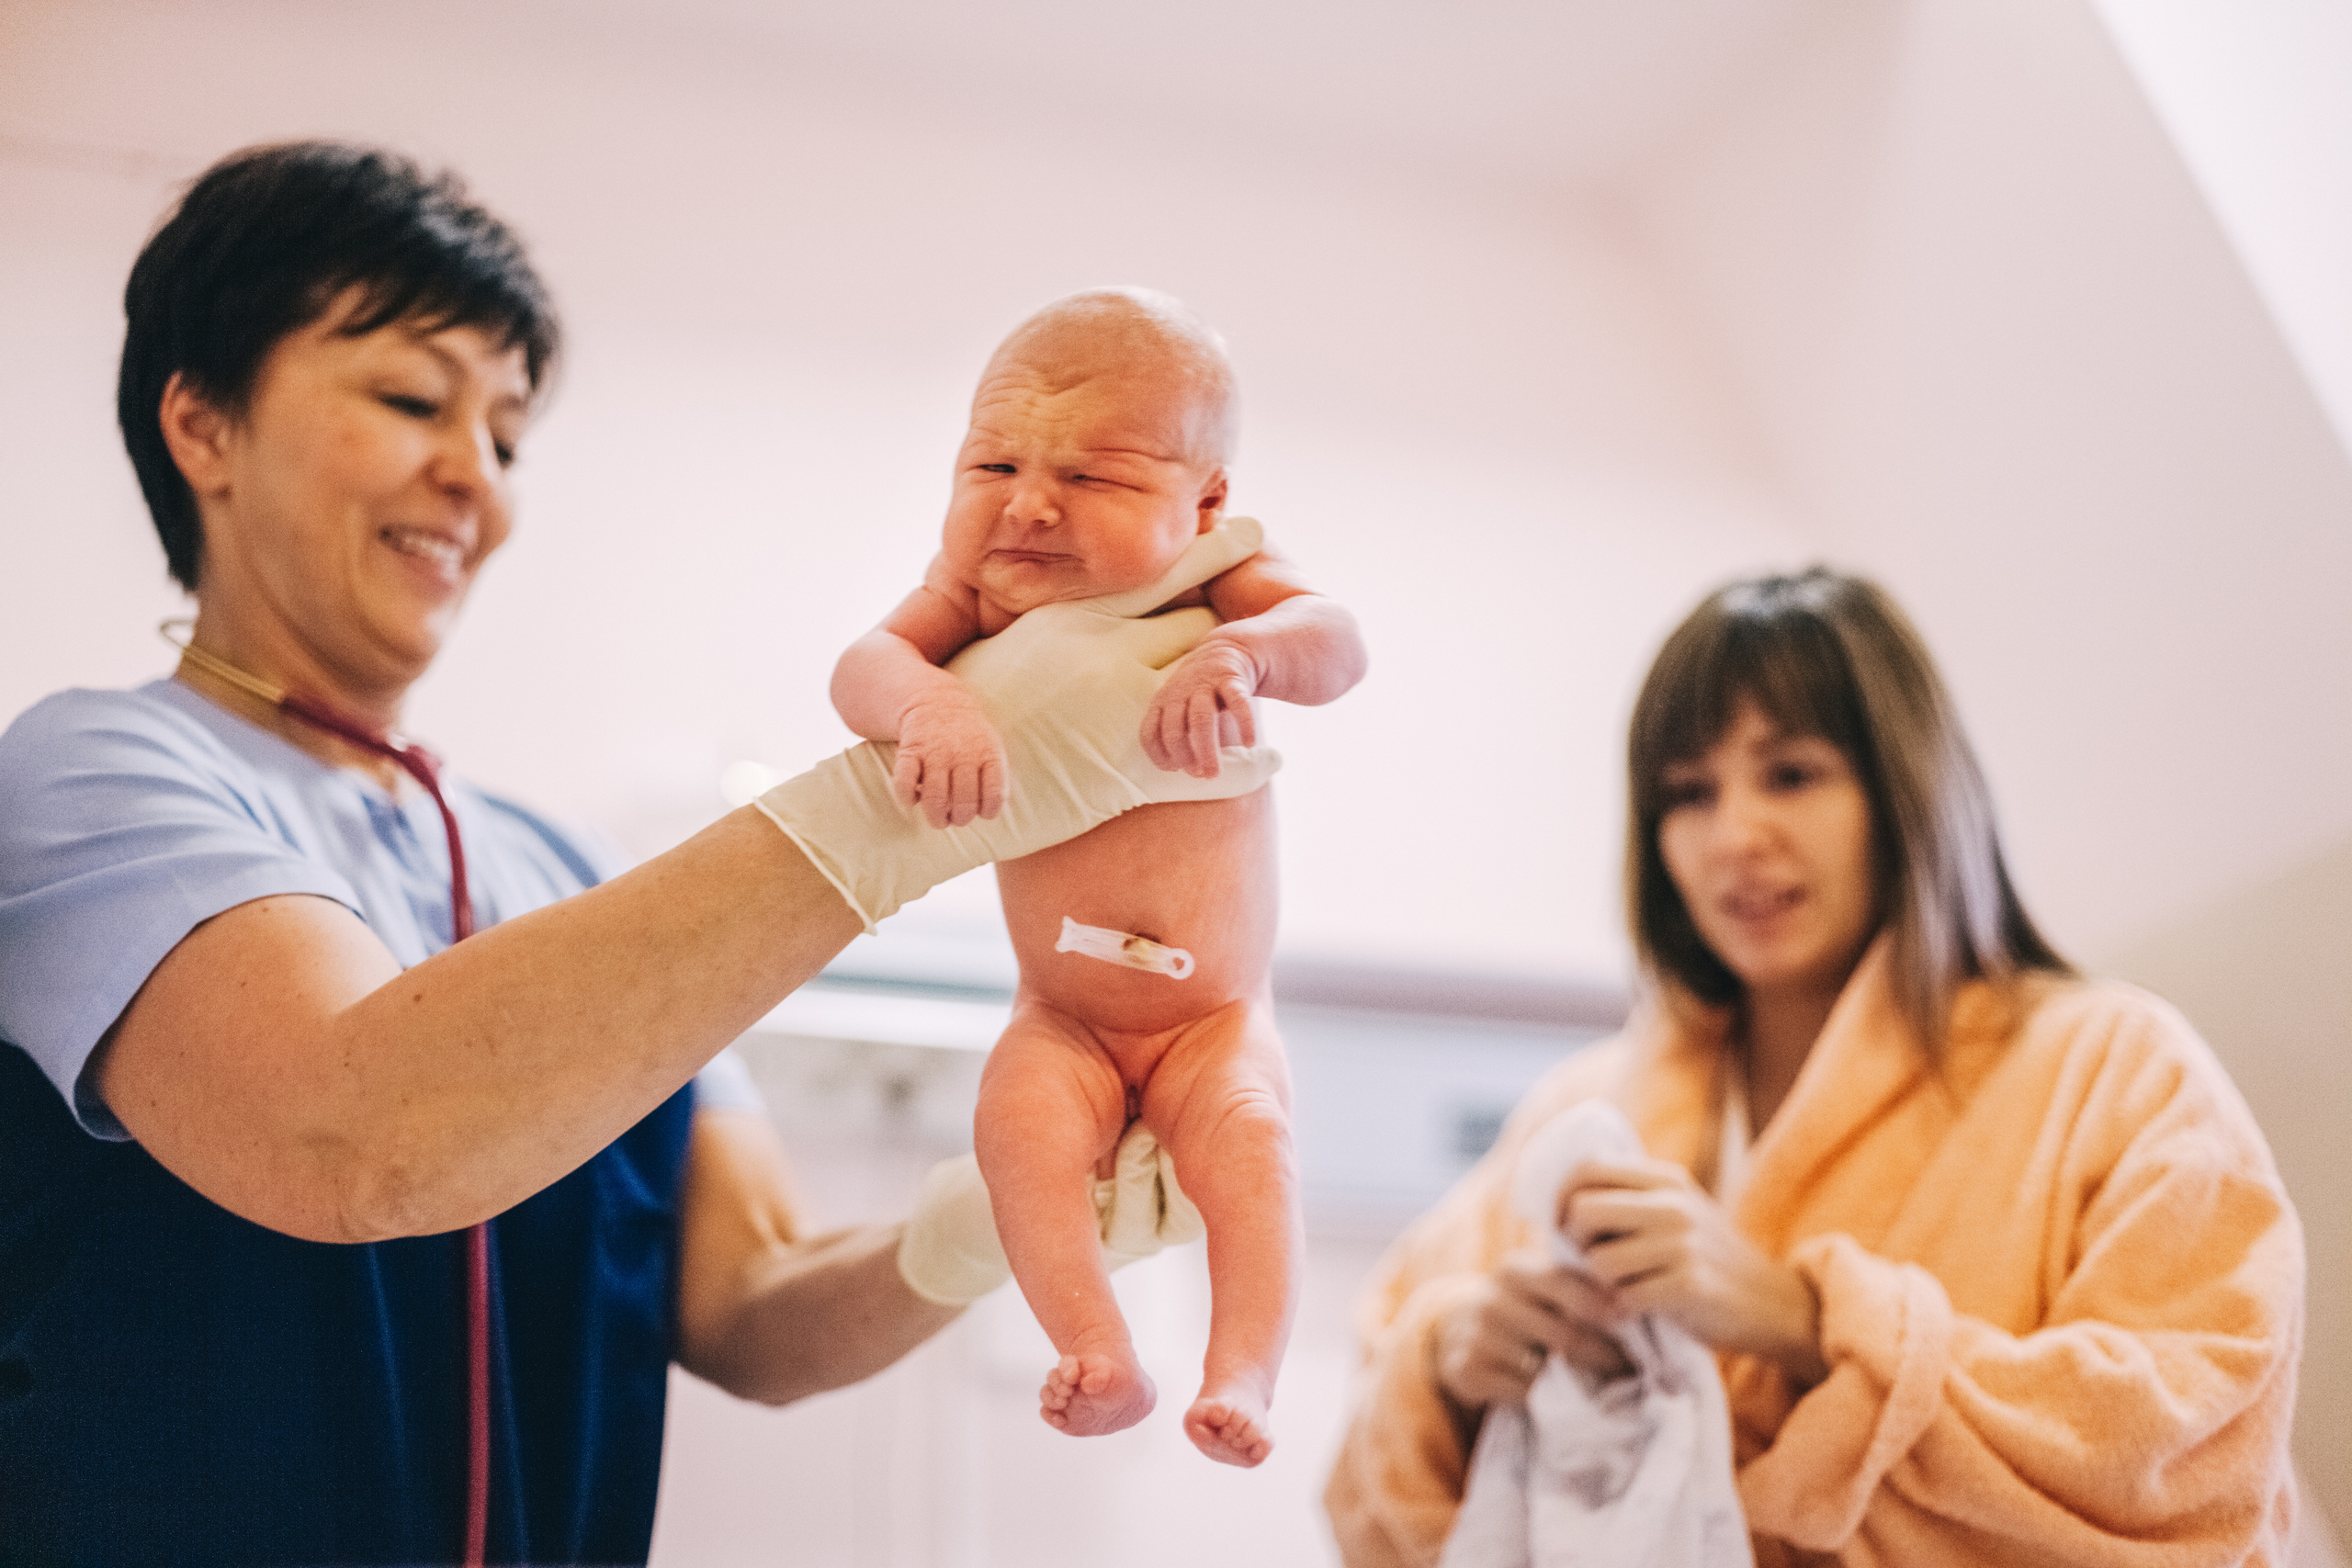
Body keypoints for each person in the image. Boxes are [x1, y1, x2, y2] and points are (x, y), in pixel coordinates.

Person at [0, 141, 1273, 1566]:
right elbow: (351, 1131)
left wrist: (977, 1230)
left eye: (506, 436)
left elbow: (756, 1306)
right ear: (203, 425)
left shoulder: (563, 862)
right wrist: (898, 799)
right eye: (415, 397)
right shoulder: (88, 777)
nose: (470, 476)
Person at [1322, 570, 2304, 1566]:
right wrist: (1448, 1373)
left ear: (1903, 790)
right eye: (1689, 794)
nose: (1734, 839)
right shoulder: (1581, 1112)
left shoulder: (2116, 1070)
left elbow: (2194, 1456)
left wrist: (1803, 1319)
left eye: (1790, 774)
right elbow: (1364, 1492)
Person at [825, 288, 1367, 1465]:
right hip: (1059, 1016)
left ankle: (1243, 1376)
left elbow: (1339, 642)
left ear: (1202, 501)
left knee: (1254, 1152)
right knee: (1014, 1133)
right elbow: (864, 664)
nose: (1028, 504)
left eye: (1094, 477)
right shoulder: (977, 593)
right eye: (993, 462)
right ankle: (1097, 1349)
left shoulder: (1219, 573)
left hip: (1213, 1020)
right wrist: (930, 702)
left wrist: (1244, 652)